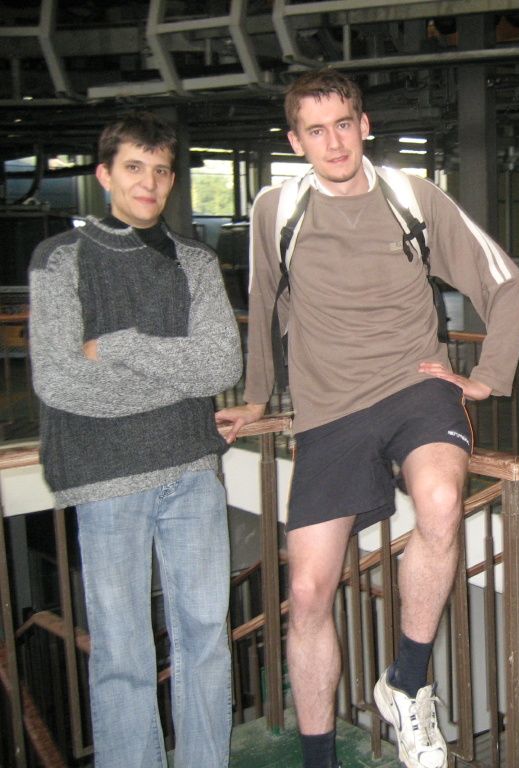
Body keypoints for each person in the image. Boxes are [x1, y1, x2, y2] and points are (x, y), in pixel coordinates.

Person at [215, 69, 519, 768]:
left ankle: (408, 685)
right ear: (296, 141)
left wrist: (486, 376)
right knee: (307, 591)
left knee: (441, 503)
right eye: (315, 131)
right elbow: (263, 301)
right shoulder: (277, 208)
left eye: (343, 125)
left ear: (364, 125)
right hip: (328, 408)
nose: (333, 142)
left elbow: (505, 281)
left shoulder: (411, 195)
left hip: (417, 386)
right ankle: (319, 760)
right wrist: (259, 396)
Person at [28, 112, 242, 767]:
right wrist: (178, 381)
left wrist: (120, 346)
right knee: (122, 653)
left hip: (192, 472)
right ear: (104, 175)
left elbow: (221, 365)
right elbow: (59, 380)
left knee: (205, 638)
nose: (148, 182)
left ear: (172, 180)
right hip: (106, 479)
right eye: (133, 167)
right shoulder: (60, 259)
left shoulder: (194, 261)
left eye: (160, 170)